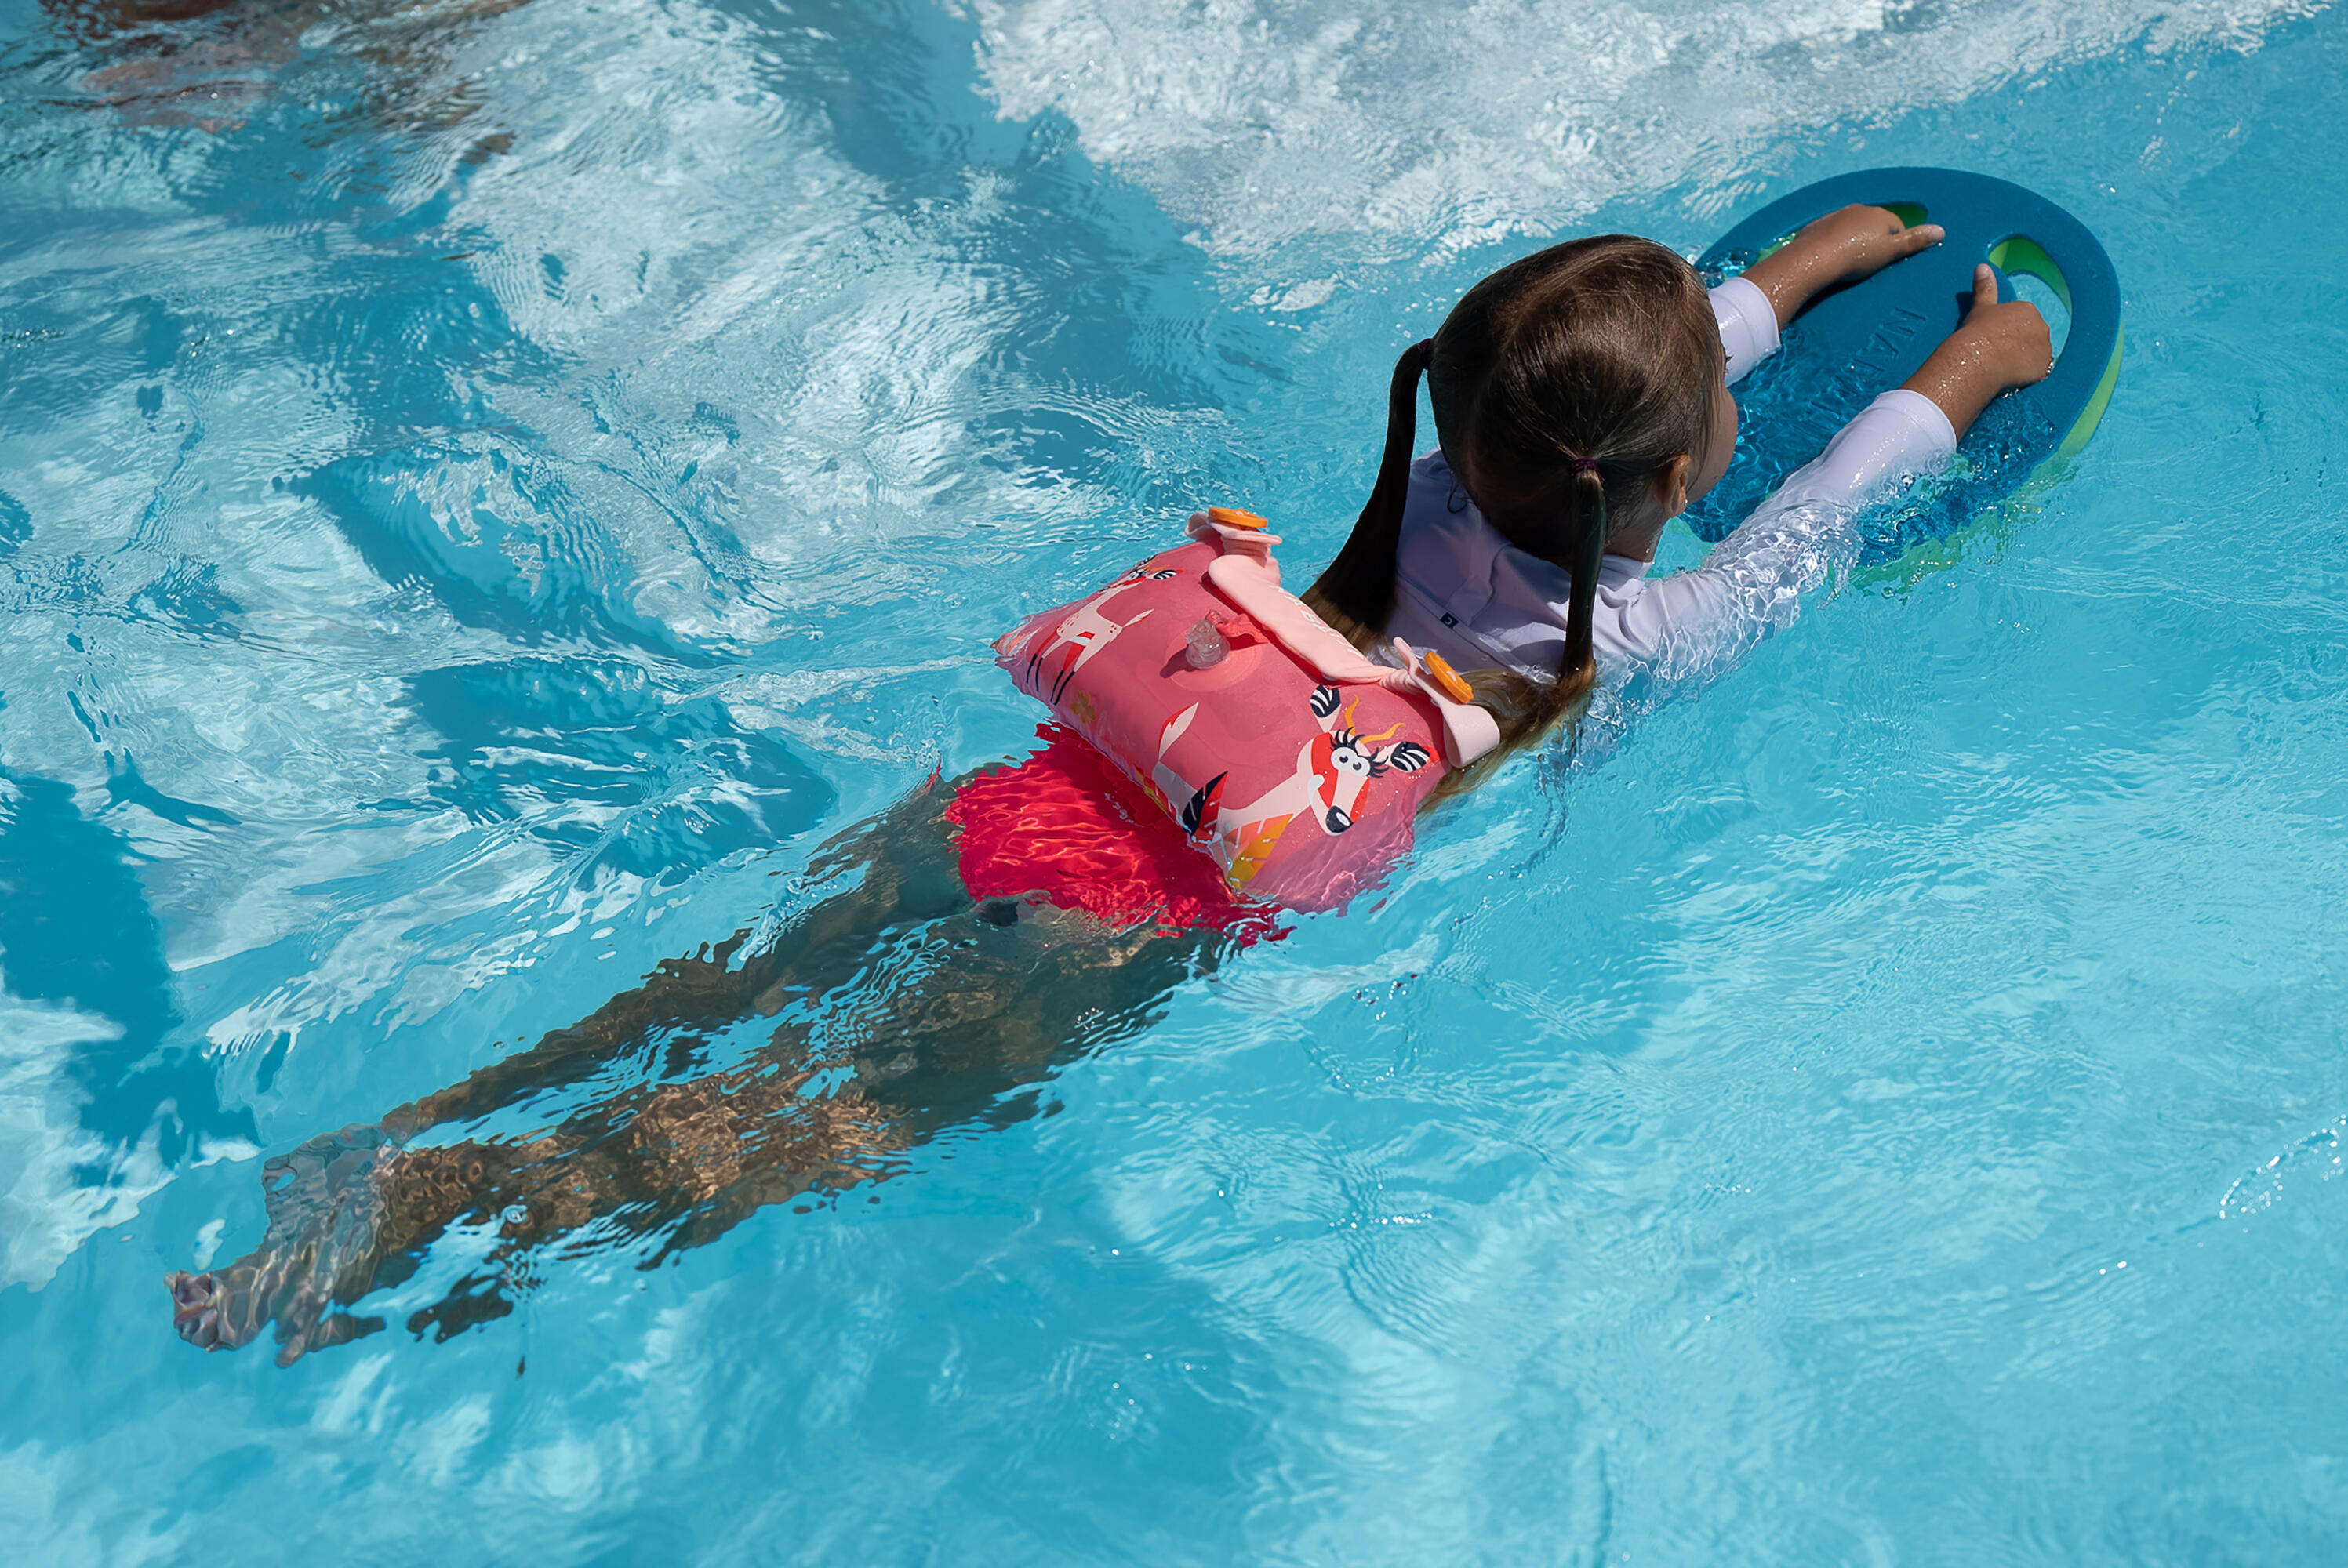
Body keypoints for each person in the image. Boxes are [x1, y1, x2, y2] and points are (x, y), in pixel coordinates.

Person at [167, 206, 2051, 1363]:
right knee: (799, 1132)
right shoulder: (1629, 641)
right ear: (1656, 489)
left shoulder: (1421, 490)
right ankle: (436, 1232)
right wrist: (1977, 356)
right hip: (1121, 930)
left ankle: (399, 1147)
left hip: (1026, 799)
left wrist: (1782, 276)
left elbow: (1571, 421)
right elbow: (1822, 514)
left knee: (719, 997)